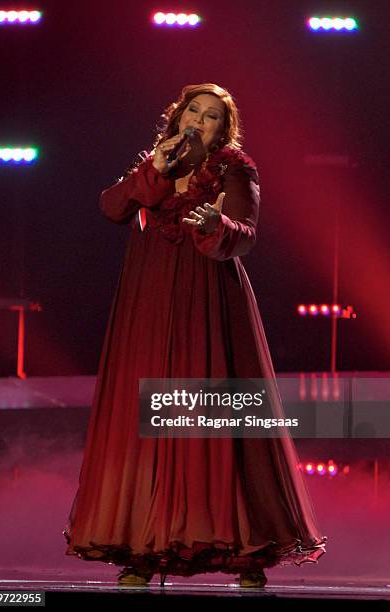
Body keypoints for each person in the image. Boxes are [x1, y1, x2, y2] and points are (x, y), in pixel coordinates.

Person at [63, 83, 326, 588]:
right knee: (143, 420)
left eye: (209, 117)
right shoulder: (156, 163)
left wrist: (217, 222)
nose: (198, 122)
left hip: (209, 298)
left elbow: (245, 235)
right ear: (176, 118)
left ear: (222, 130)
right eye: (192, 112)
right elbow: (112, 207)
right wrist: (154, 170)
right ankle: (141, 548)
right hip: (150, 301)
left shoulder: (234, 169)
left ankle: (246, 549)